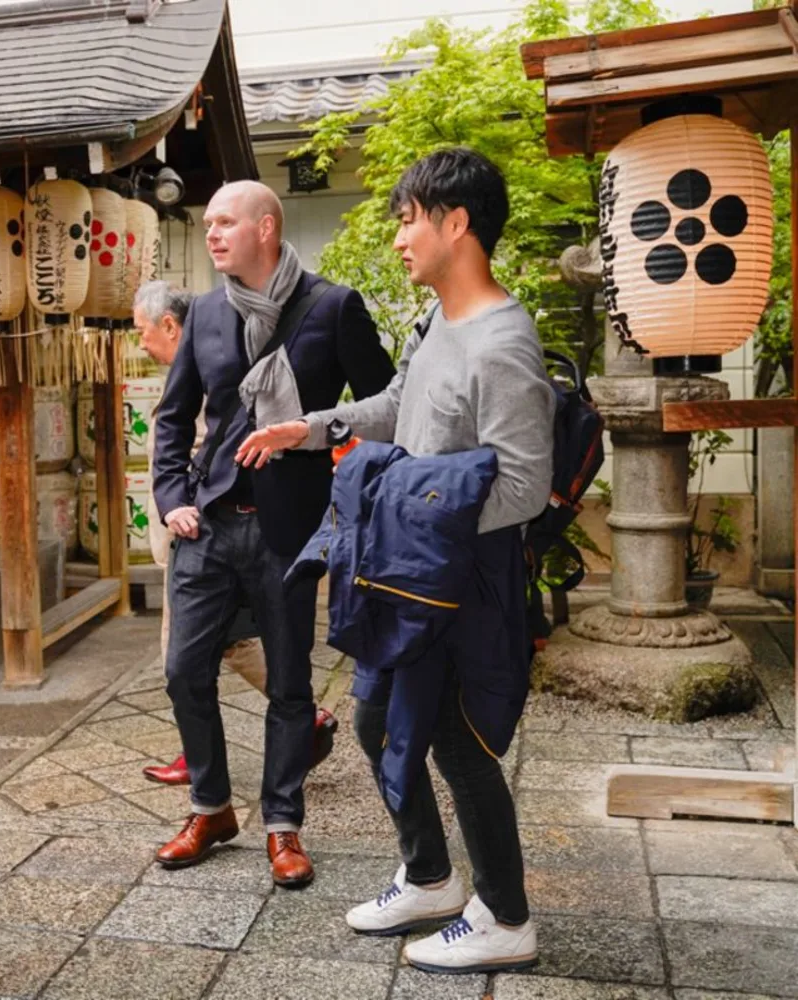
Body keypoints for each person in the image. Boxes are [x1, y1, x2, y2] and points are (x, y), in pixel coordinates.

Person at [236, 147, 552, 973]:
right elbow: (395, 406)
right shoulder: (436, 322)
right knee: (377, 722)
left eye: (410, 218)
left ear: (457, 223)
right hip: (405, 572)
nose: (401, 235)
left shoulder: (503, 344)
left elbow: (523, 487)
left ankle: (508, 917)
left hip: (460, 583)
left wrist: (404, 499)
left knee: (459, 741)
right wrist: (311, 427)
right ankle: (430, 875)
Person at [152, 181, 394, 886]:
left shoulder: (332, 307)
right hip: (208, 522)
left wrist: (333, 460)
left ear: (266, 227)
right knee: (181, 672)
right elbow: (174, 419)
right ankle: (211, 807)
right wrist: (172, 498)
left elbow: (384, 406)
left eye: (225, 222)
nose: (212, 234)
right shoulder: (202, 314)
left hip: (291, 530)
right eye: (209, 223)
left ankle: (282, 824)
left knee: (290, 683)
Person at [134, 281, 337, 787]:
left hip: (210, 530)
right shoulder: (197, 365)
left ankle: (282, 727)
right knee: (220, 646)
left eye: (142, 331)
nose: (140, 343)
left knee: (184, 654)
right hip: (193, 527)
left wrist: (188, 504)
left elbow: (204, 445)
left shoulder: (217, 368)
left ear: (170, 325)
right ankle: (281, 728)